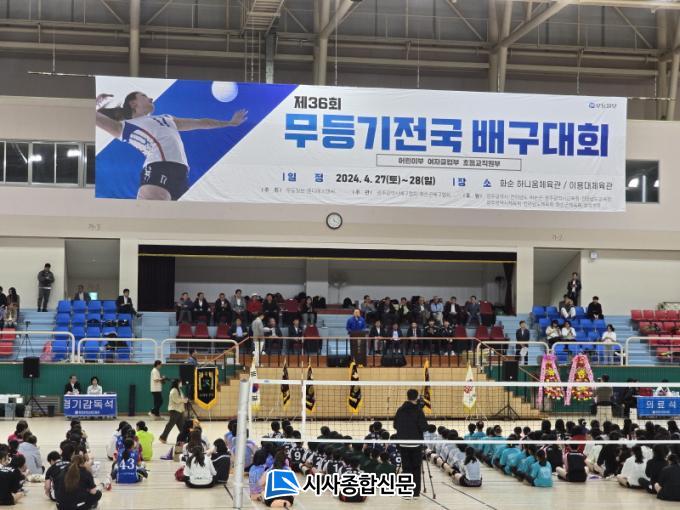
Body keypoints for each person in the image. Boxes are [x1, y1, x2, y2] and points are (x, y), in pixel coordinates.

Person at [97, 91, 246, 200]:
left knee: (174, 223)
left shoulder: (167, 118)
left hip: (182, 173)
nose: (151, 98)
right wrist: (93, 103)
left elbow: (201, 122)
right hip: (158, 167)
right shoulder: (126, 126)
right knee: (150, 216)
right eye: (144, 96)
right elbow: (96, 118)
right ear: (133, 103)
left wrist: (228, 123)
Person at [393, 389, 428, 499]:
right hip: (416, 444)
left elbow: (395, 425)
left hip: (403, 444)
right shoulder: (418, 411)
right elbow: (424, 427)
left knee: (406, 468)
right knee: (416, 468)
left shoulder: (400, 410)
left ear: (407, 397)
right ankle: (416, 493)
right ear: (417, 397)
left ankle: (406, 493)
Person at [159, 379, 187, 444]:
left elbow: (180, 399)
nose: (181, 383)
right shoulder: (174, 391)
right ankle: (162, 437)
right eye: (180, 382)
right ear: (177, 383)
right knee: (170, 425)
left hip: (179, 410)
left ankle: (184, 438)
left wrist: (184, 400)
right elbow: (176, 400)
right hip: (174, 410)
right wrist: (183, 400)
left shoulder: (179, 390)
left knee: (182, 426)